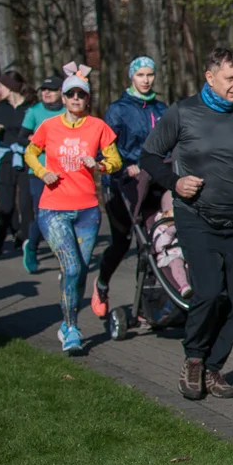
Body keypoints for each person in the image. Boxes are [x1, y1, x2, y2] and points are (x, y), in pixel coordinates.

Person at [141, 47, 233, 400]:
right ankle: (194, 358)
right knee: (209, 292)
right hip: (196, 216)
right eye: (230, 78)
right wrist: (174, 182)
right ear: (210, 77)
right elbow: (149, 155)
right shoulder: (183, 113)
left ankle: (215, 368)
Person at [24, 64, 122, 354]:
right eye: (71, 94)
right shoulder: (49, 126)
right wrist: (43, 173)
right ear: (63, 99)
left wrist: (101, 165)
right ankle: (72, 329)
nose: (76, 98)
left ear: (88, 99)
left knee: (77, 274)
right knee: (73, 267)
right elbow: (30, 152)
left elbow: (115, 162)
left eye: (81, 94)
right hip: (53, 208)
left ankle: (68, 323)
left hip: (87, 211)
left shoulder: (99, 127)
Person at [95, 56, 168, 316]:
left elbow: (169, 142)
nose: (146, 80)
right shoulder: (118, 109)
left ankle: (147, 306)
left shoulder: (161, 109)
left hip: (152, 183)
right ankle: (102, 283)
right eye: (141, 75)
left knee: (149, 243)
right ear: (132, 77)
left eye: (150, 75)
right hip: (121, 184)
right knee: (122, 242)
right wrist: (127, 165)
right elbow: (106, 147)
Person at [17, 76, 64, 273]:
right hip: (38, 170)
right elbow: (21, 138)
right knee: (43, 214)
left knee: (62, 214)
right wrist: (38, 142)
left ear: (61, 92)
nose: (46, 93)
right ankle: (32, 247)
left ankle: (65, 254)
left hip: (64, 171)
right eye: (44, 89)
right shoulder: (34, 112)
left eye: (51, 89)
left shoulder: (68, 111)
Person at [0, 71, 31, 257]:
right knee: (6, 205)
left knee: (27, 205)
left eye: (1, 86)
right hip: (5, 160)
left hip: (26, 159)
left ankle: (25, 241)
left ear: (10, 88)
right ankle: (1, 239)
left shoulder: (29, 108)